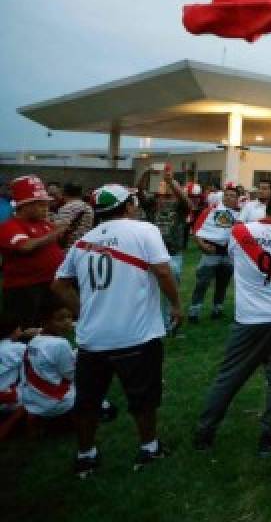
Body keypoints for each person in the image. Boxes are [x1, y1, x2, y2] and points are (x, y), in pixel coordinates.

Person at [51, 184, 182, 478]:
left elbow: (59, 284)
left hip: (92, 338)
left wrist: (83, 311)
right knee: (144, 397)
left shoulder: (82, 242)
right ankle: (149, 447)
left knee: (88, 400)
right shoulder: (144, 230)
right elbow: (163, 270)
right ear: (129, 205)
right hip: (136, 334)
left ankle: (86, 454)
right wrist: (175, 304)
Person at [193, 187, 271, 456]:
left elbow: (235, 258)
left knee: (229, 378)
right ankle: (270, 436)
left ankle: (205, 431)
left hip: (250, 318)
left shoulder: (239, 232)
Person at [0, 176, 68, 328]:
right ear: (24, 206)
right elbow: (25, 246)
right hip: (25, 288)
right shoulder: (10, 226)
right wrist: (55, 233)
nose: (46, 208)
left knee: (48, 326)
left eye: (46, 204)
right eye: (40, 204)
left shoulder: (43, 223)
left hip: (48, 283)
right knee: (25, 329)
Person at [138, 165, 192, 332]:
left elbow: (186, 202)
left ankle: (169, 324)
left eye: (168, 193)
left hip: (173, 254)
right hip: (150, 254)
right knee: (146, 290)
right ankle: (147, 324)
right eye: (162, 187)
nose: (164, 197)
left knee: (170, 291)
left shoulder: (179, 207)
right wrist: (146, 172)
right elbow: (140, 191)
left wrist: (172, 182)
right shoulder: (151, 204)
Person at [189, 183, 240, 322]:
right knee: (202, 283)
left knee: (222, 284)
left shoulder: (240, 215)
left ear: (237, 199)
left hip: (228, 255)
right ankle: (194, 311)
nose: (229, 198)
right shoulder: (209, 211)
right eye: (227, 195)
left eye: (233, 196)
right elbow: (197, 230)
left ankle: (217, 310)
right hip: (210, 253)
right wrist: (202, 246)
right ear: (223, 197)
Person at [19, 299, 77, 423]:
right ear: (45, 322)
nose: (67, 322)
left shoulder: (35, 340)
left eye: (69, 317)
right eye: (60, 319)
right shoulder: (61, 343)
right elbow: (71, 375)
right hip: (57, 402)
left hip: (33, 401)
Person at [53, 183, 94, 250]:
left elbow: (59, 232)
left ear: (64, 193)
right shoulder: (89, 208)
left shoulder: (67, 208)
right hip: (82, 246)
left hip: (68, 248)